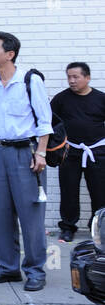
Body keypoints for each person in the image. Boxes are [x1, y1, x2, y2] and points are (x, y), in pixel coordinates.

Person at [0, 32, 52, 291]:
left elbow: (44, 122)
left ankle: (35, 270)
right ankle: (8, 268)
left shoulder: (30, 81)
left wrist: (40, 153)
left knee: (30, 216)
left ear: (10, 54)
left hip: (25, 153)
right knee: (2, 213)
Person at [50, 61, 105, 243]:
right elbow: (50, 123)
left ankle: (98, 228)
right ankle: (68, 227)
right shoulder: (61, 99)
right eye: (69, 77)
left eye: (76, 77)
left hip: (96, 152)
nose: (71, 81)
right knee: (68, 191)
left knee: (99, 192)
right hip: (69, 152)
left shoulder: (100, 98)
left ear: (87, 78)